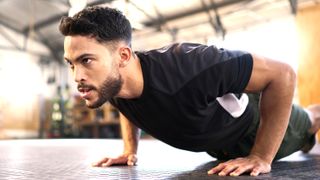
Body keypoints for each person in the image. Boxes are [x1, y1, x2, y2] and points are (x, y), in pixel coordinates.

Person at [59, 6, 320, 176]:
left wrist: (261, 156)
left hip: (257, 128)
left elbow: (283, 74)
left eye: (86, 60)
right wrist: (130, 150)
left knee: (311, 119)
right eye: (71, 64)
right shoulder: (111, 84)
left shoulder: (190, 65)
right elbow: (128, 104)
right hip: (219, 148)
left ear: (123, 56)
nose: (77, 76)